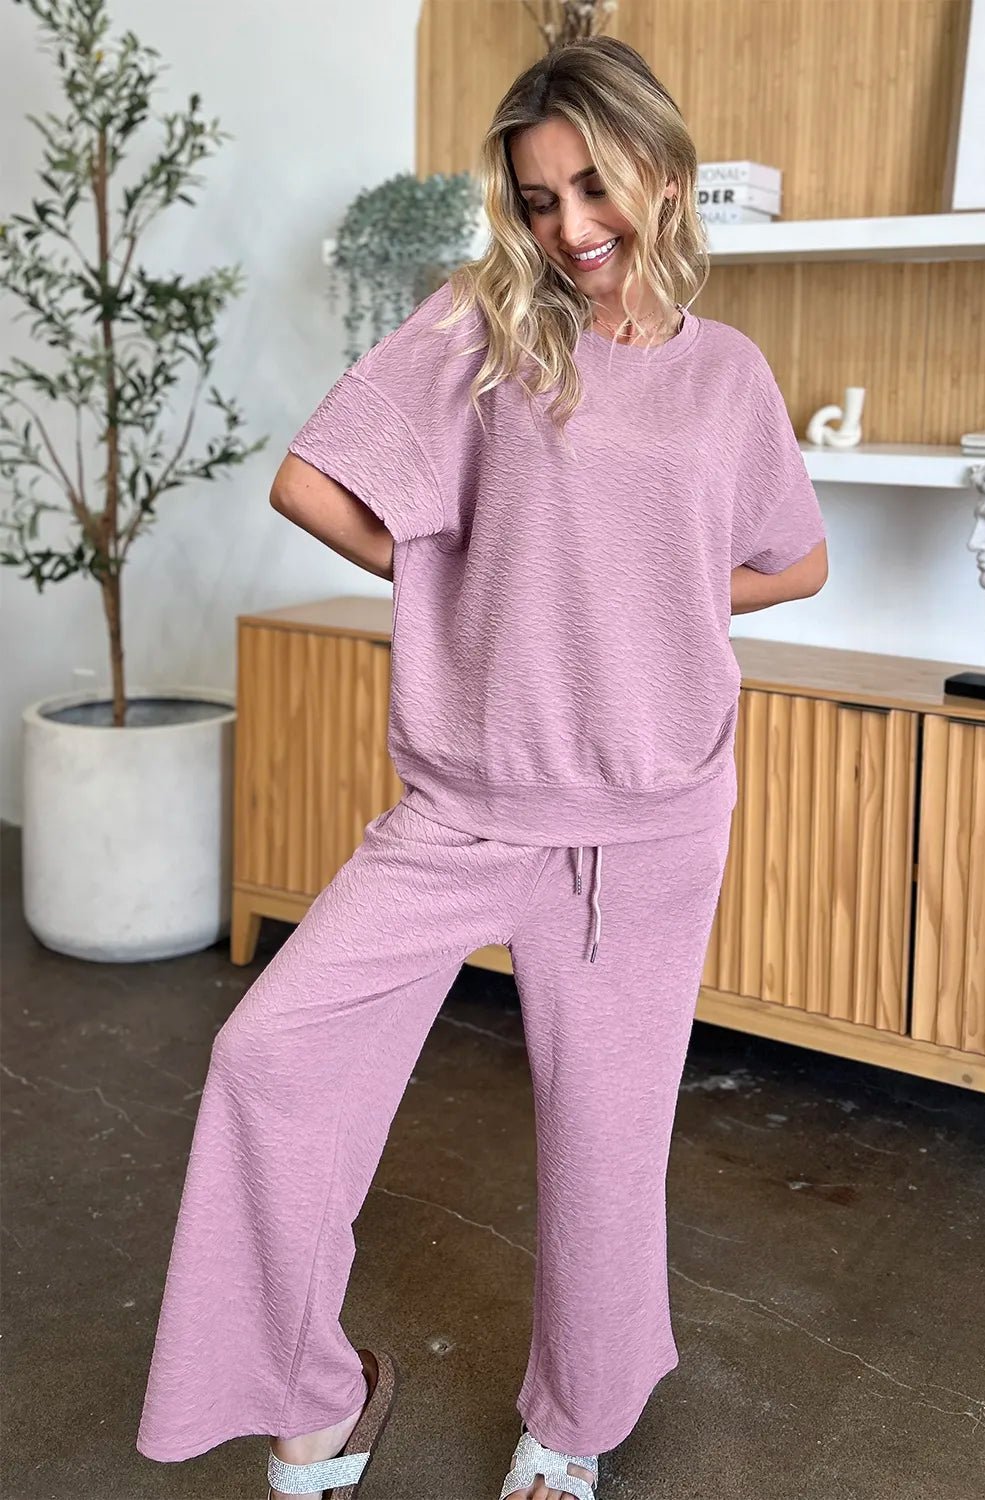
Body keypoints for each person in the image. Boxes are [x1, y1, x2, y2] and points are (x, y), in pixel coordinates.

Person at [135, 35, 828, 1500]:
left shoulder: (729, 377)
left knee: (602, 1148)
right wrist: (461, 579)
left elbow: (795, 558)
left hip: (650, 817)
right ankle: (313, 1392)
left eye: (595, 188)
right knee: (269, 1057)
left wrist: (658, 590)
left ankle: (570, 1426)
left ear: (670, 179)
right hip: (469, 801)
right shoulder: (485, 327)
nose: (571, 228)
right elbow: (310, 480)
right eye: (537, 198)